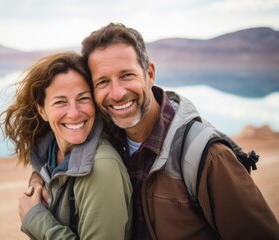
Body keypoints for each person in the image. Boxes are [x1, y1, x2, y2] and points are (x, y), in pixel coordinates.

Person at [80, 22, 279, 239]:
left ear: (150, 74)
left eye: (126, 75)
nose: (117, 93)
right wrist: (35, 184)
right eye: (102, 82)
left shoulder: (208, 157)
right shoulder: (100, 141)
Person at [0, 51, 132, 239]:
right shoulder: (50, 151)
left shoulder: (102, 168)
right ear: (42, 110)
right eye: (60, 102)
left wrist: (35, 219)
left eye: (83, 99)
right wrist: (37, 180)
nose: (74, 113)